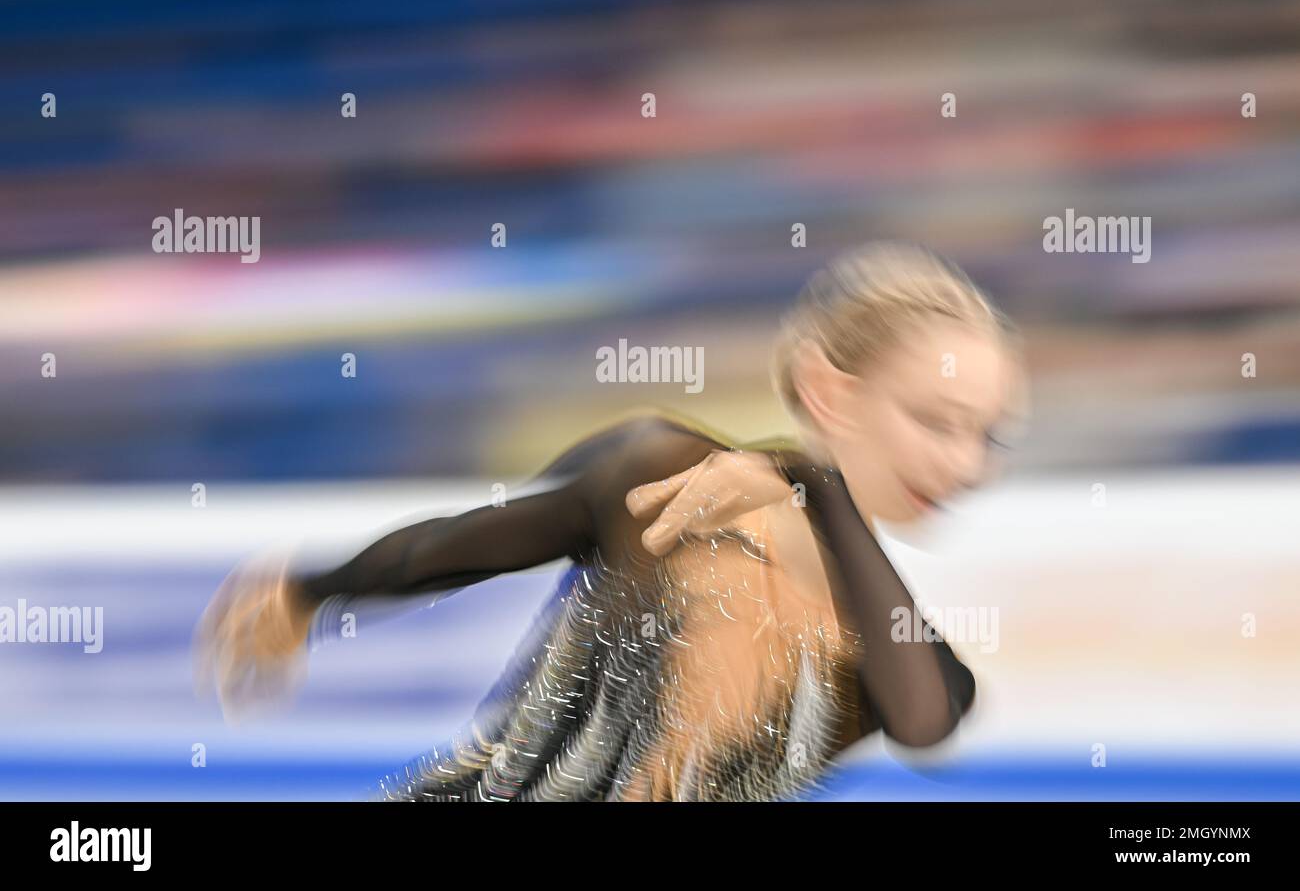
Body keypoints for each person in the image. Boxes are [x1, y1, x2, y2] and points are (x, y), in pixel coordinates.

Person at [193, 241, 1026, 801]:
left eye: (985, 435)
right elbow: (457, 546)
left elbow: (928, 719)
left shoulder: (884, 636)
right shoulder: (664, 474)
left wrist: (811, 481)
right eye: (936, 422)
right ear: (831, 392)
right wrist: (307, 590)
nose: (966, 466)